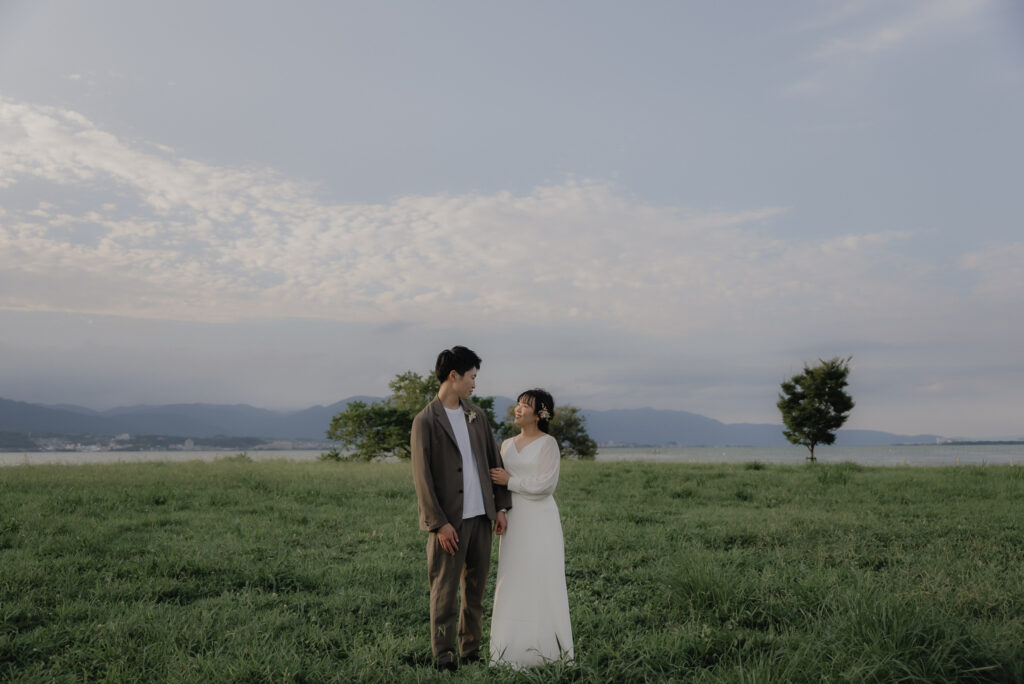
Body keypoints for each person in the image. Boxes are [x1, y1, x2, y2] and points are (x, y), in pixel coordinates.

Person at [410, 346, 512, 672]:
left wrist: (500, 508)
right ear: (453, 376)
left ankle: (470, 650)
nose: (474, 384)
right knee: (444, 593)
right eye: (471, 377)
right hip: (449, 524)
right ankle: (444, 657)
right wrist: (438, 524)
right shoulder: (425, 420)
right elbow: (422, 478)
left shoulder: (477, 416)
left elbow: (494, 462)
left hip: (481, 518)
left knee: (476, 590)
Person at [488, 388, 573, 669]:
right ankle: (509, 650)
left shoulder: (548, 444)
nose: (518, 409)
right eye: (518, 404)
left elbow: (545, 485)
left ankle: (547, 649)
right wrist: (500, 510)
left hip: (540, 518)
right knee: (512, 577)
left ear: (540, 414)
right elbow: (496, 486)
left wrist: (510, 481)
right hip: (514, 520)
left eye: (525, 406)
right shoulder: (506, 445)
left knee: (541, 577)